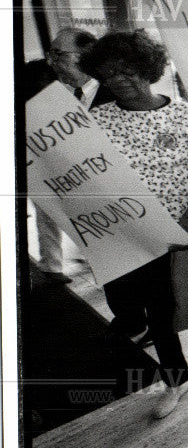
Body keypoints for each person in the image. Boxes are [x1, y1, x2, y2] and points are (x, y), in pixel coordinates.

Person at [79, 30, 188, 418]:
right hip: (135, 234)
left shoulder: (184, 113)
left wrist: (187, 215)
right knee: (158, 313)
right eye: (112, 74)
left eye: (130, 70)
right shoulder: (97, 120)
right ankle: (176, 381)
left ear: (148, 69)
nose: (122, 80)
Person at [19, 28, 112, 285]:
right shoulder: (69, 95)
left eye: (57, 55)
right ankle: (55, 265)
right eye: (50, 56)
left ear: (84, 55)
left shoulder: (112, 93)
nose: (52, 62)